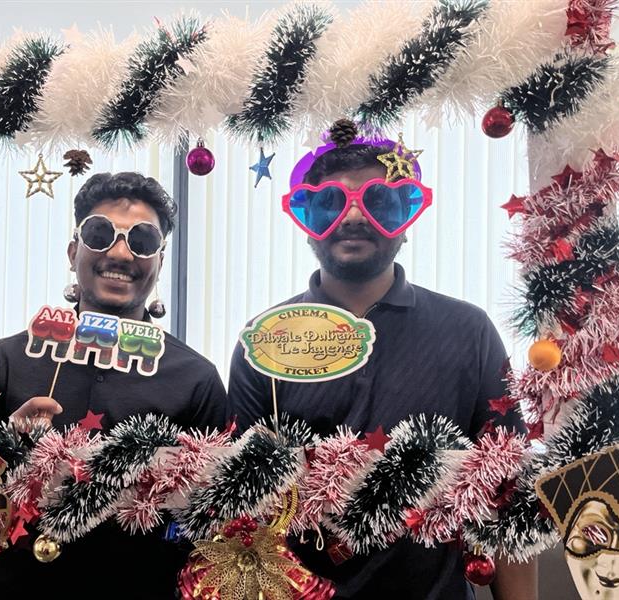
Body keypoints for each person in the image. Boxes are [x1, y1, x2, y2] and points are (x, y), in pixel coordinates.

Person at [227, 127, 537, 600]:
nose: (353, 215)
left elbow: (509, 493)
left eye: (378, 202)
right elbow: (244, 512)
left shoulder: (467, 331)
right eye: (331, 203)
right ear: (307, 219)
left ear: (406, 219)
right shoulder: (265, 341)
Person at [0, 172, 226, 599]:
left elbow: (216, 522)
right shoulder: (8, 360)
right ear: (74, 251)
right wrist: (5, 445)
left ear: (160, 261)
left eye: (142, 240)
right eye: (100, 234)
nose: (120, 252)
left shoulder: (196, 379)